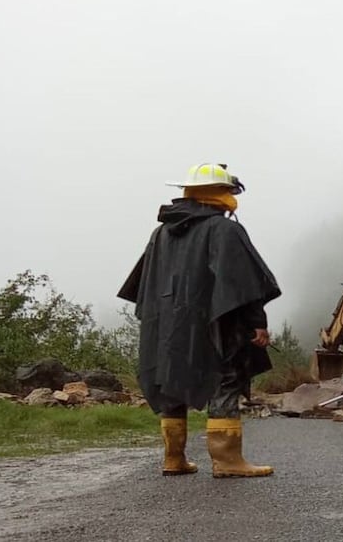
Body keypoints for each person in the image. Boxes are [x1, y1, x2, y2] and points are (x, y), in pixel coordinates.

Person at [118, 163, 280, 478]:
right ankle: (227, 460)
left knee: (170, 381)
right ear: (218, 193)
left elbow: (146, 286)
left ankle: (173, 458)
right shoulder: (224, 229)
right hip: (213, 324)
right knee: (225, 378)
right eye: (229, 191)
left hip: (167, 326)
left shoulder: (161, 233)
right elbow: (243, 284)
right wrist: (257, 322)